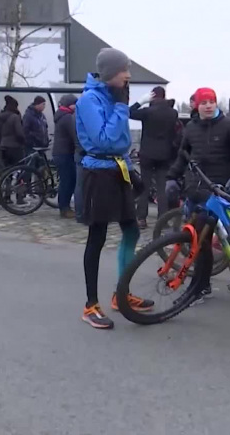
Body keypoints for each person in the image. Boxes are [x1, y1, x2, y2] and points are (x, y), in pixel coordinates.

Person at [76, 48, 152, 329]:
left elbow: (120, 143)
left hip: (118, 169)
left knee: (131, 229)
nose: (129, 75)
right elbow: (105, 139)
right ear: (111, 72)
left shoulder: (112, 96)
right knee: (97, 237)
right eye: (124, 70)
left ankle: (122, 294)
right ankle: (90, 305)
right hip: (97, 173)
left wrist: (131, 171)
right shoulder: (90, 100)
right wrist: (121, 107)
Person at [166, 87, 230, 302]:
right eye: (203, 102)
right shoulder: (190, 129)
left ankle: (201, 286)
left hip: (220, 190)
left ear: (216, 104)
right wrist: (171, 177)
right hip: (195, 190)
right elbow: (183, 156)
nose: (208, 106)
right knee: (199, 241)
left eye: (211, 102)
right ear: (196, 105)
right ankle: (201, 286)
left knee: (208, 239)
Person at [129, 85, 180, 228]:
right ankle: (163, 219)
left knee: (144, 186)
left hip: (147, 154)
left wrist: (140, 102)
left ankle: (141, 218)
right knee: (161, 187)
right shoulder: (173, 113)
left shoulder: (147, 112)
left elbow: (127, 112)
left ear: (152, 96)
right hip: (165, 154)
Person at [52, 94, 79, 219]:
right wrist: (81, 148)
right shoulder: (68, 117)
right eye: (75, 103)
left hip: (61, 152)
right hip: (65, 153)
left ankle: (65, 206)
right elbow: (75, 135)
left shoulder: (61, 115)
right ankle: (64, 208)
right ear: (70, 104)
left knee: (67, 180)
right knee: (68, 181)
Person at [0, 95, 25, 168]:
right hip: (14, 146)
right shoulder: (14, 117)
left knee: (7, 168)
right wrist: (23, 141)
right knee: (19, 167)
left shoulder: (0, 117)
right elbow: (19, 133)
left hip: (3, 145)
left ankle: (7, 179)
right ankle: (19, 179)